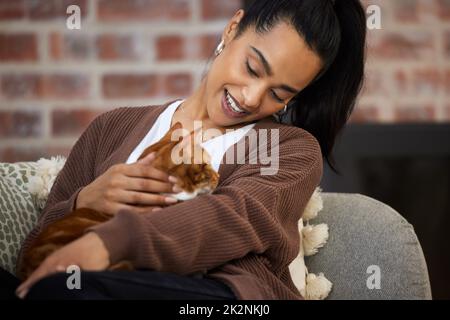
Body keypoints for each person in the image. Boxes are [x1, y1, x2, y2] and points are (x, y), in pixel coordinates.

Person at [3, 0, 366, 300]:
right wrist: (86, 201)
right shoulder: (110, 129)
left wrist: (110, 244)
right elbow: (37, 253)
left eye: (279, 94)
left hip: (221, 299)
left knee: (67, 290)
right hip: (95, 286)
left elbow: (232, 217)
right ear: (232, 29)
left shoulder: (289, 149)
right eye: (252, 68)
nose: (252, 97)